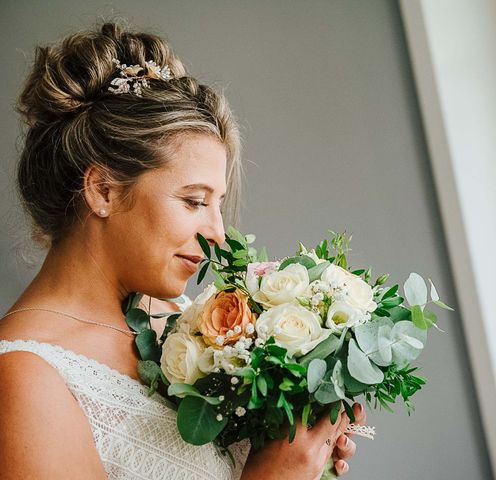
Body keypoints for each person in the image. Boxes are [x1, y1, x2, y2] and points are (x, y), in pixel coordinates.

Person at [0, 21, 364, 479]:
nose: (217, 233)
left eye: (217, 202)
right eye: (194, 201)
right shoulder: (24, 380)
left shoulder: (182, 325)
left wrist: (295, 446)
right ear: (103, 190)